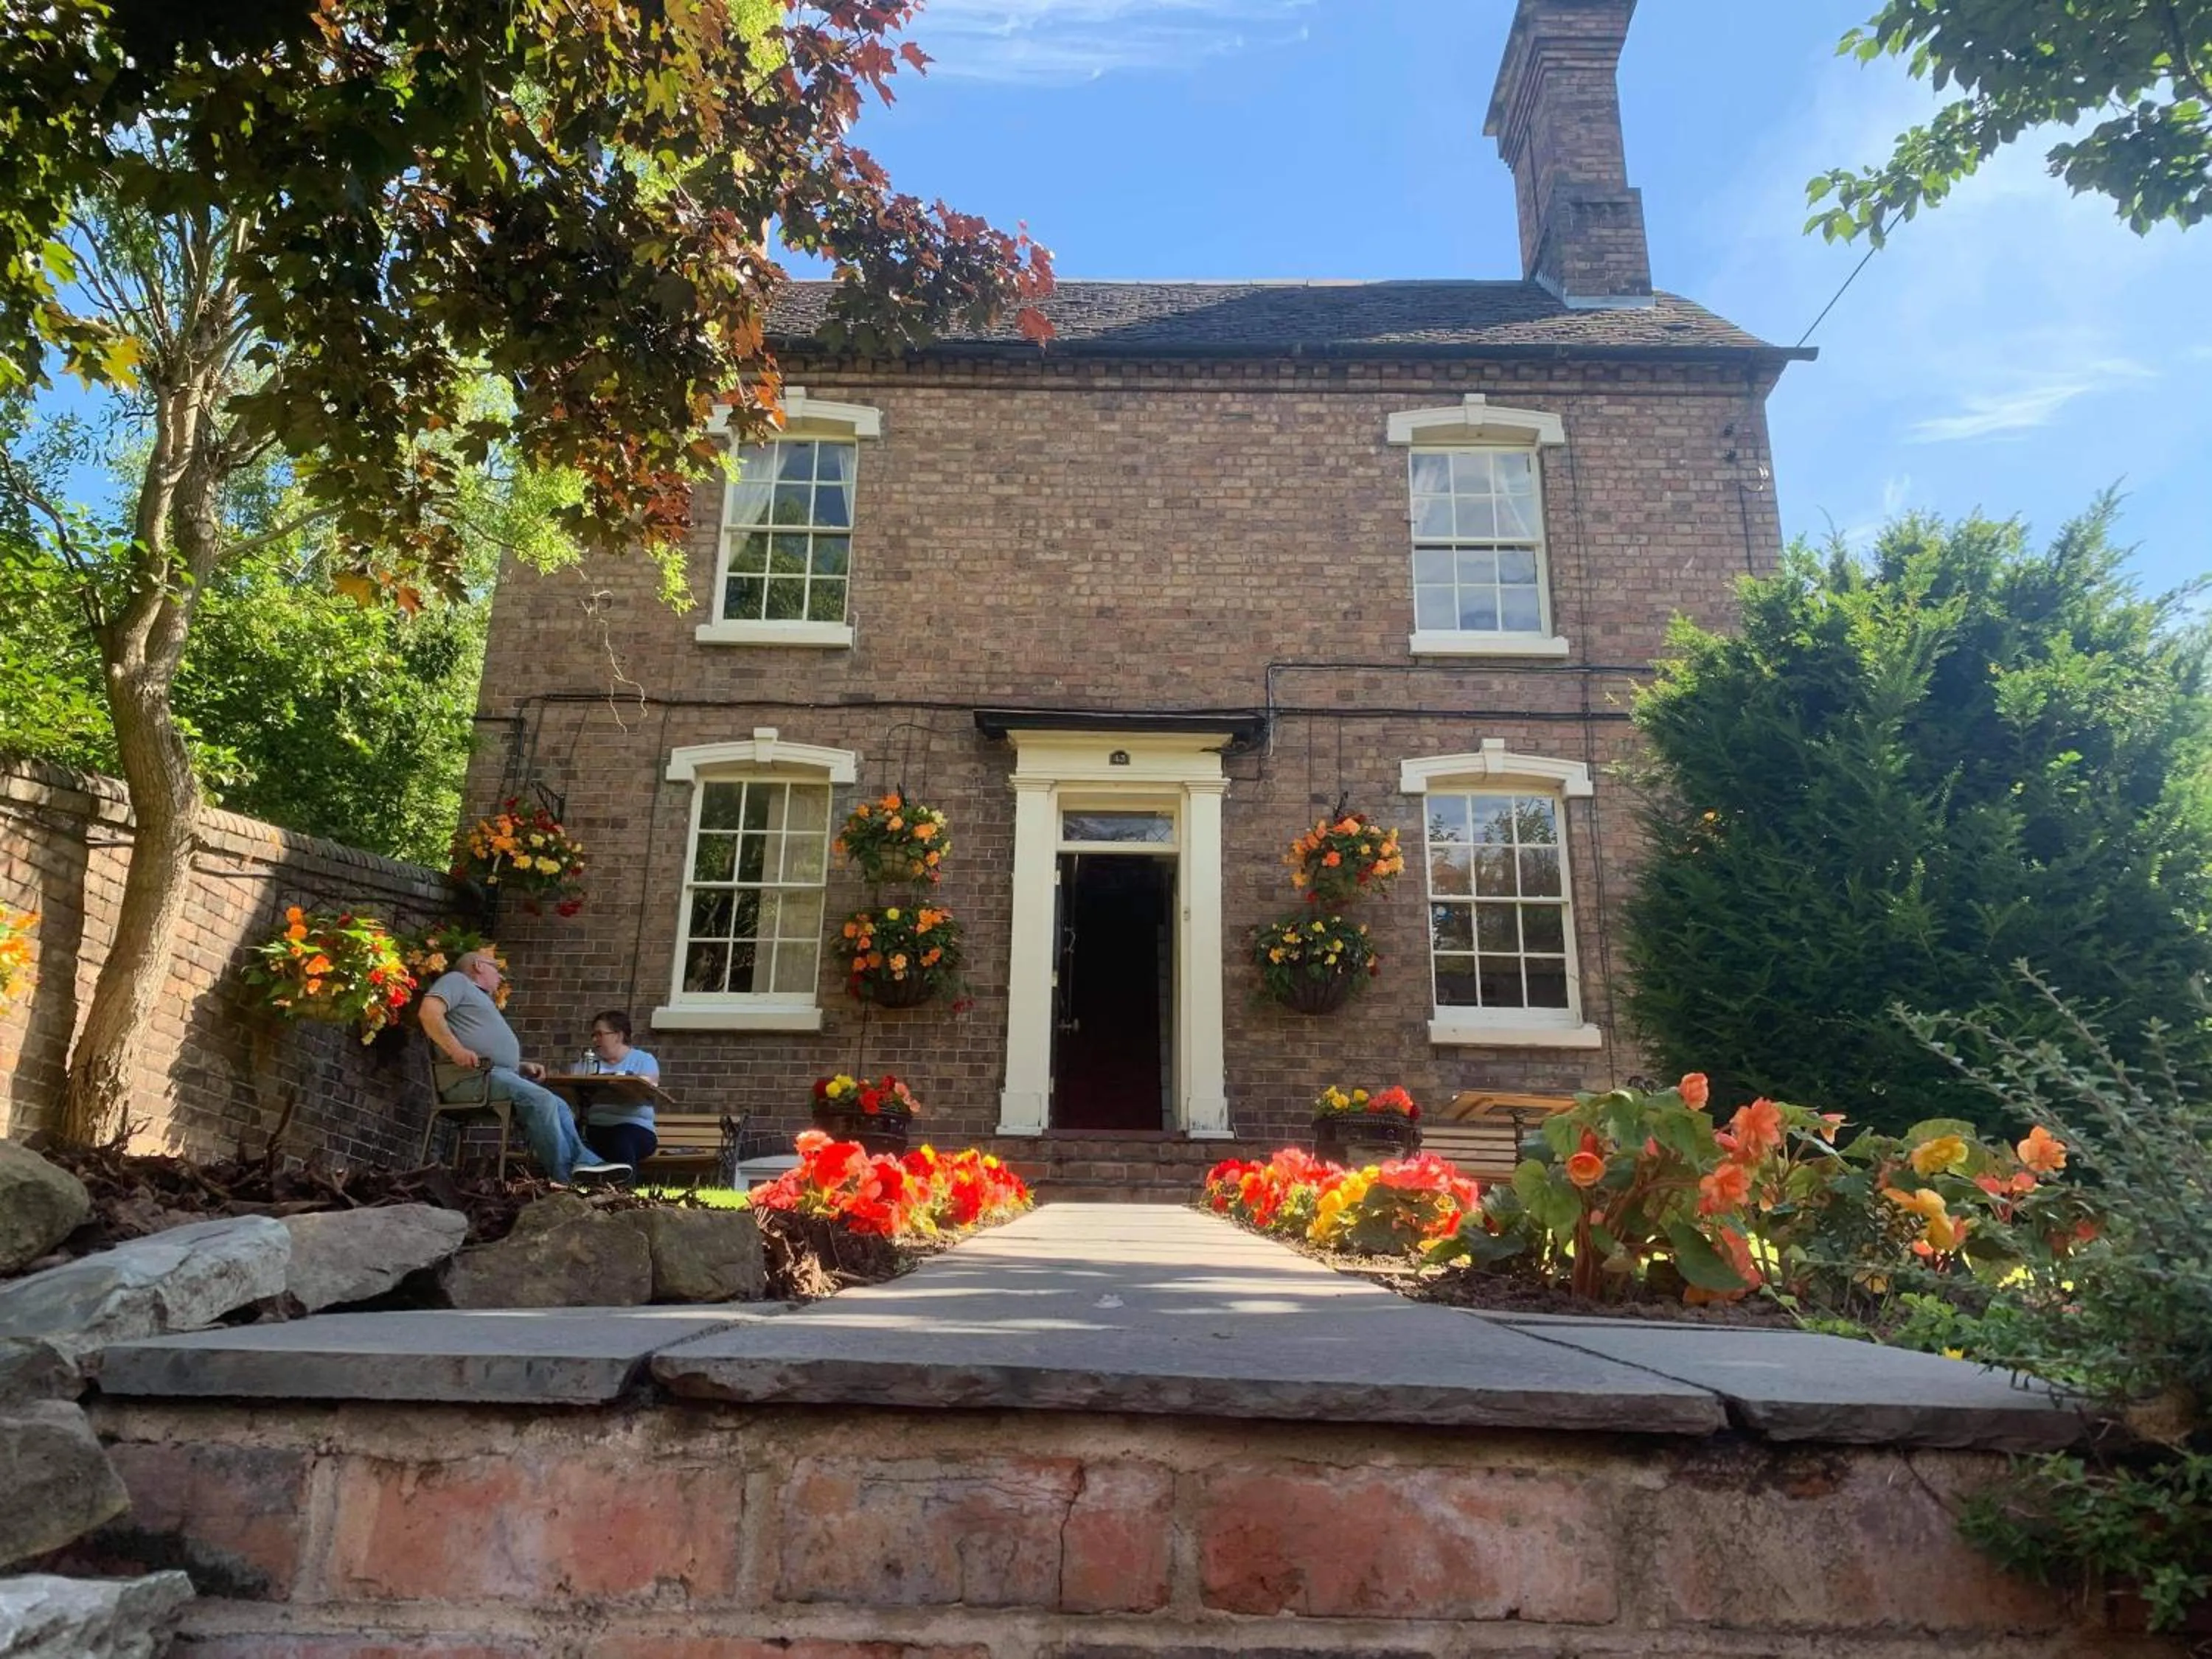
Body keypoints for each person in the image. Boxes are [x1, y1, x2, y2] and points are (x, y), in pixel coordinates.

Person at [417, 950, 628, 1186]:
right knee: (542, 1100)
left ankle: (584, 1163)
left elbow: (483, 1044)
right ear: (478, 966)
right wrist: (456, 1051)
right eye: (495, 968)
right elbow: (429, 1013)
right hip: (470, 1079)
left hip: (495, 1076)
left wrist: (519, 1066)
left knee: (559, 1105)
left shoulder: (481, 999)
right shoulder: (457, 981)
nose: (500, 976)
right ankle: (565, 1177)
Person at [577, 1009, 659, 1172]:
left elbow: (648, 1088)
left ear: (619, 1036)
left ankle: (623, 1191)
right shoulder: (588, 1062)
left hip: (635, 1129)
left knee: (620, 1140)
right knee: (568, 1134)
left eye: (600, 1034)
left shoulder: (644, 1060)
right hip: (594, 1127)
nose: (595, 1040)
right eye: (593, 1035)